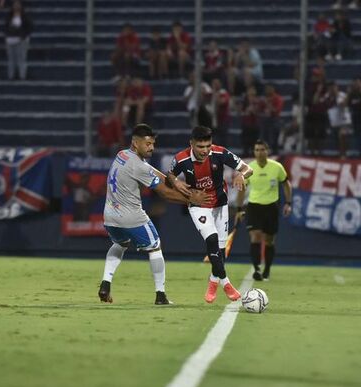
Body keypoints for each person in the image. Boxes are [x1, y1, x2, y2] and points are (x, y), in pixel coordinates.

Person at [98, 124, 211, 305]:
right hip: (132, 217)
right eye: (148, 143)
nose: (152, 147)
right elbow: (165, 193)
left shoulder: (122, 155)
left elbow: (154, 173)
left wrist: (173, 179)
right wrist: (192, 199)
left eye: (153, 144)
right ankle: (161, 295)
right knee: (155, 247)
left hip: (110, 216)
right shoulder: (139, 166)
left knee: (120, 244)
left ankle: (105, 283)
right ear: (136, 143)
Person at [167, 126, 253, 303]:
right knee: (211, 240)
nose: (205, 150)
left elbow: (248, 168)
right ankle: (226, 283)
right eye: (200, 146)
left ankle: (213, 282)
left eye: (208, 145)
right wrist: (175, 181)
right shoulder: (181, 159)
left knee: (220, 252)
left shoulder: (220, 153)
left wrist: (241, 175)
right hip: (198, 205)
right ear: (191, 144)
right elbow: (169, 174)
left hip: (220, 204)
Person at [235, 140, 292, 281]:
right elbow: (242, 189)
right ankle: (257, 269)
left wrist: (288, 203)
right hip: (254, 206)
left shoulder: (277, 167)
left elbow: (286, 184)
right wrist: (239, 208)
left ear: (267, 151)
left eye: (262, 150)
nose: (259, 152)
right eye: (256, 150)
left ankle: (267, 269)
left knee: (269, 240)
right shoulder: (249, 168)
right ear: (254, 152)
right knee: (255, 236)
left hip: (271, 206)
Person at [4, 0, 32, 80]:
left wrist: (23, 36)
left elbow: (29, 27)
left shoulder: (25, 16)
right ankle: (11, 76)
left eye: (18, 4)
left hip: (21, 40)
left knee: (21, 58)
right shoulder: (9, 16)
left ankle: (22, 76)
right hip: (10, 40)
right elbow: (5, 27)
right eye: (15, 5)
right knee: (11, 59)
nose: (16, 6)